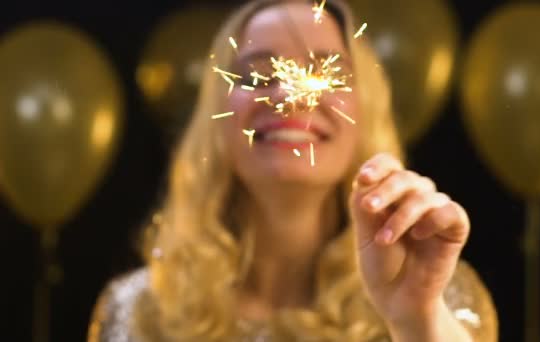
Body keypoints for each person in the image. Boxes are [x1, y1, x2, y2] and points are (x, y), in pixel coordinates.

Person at [88, 0, 498, 341]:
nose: (290, 93)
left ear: (365, 112)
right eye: (258, 74)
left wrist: (416, 319)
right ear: (216, 118)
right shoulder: (134, 311)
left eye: (327, 72)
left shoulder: (438, 295)